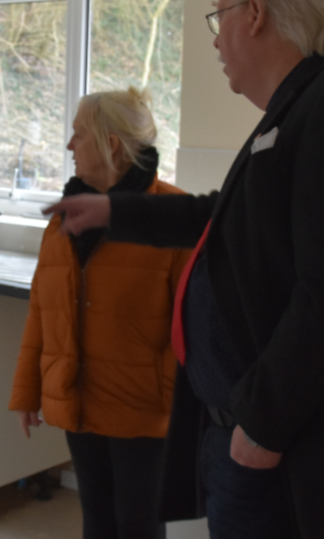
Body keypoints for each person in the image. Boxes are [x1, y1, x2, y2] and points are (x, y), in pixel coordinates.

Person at [45, 0, 324, 539]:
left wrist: (262, 426)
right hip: (247, 434)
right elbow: (221, 216)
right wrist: (113, 210)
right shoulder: (291, 111)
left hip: (292, 444)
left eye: (218, 20)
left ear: (255, 14)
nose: (216, 44)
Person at [10, 87, 191, 539]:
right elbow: (42, 312)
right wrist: (28, 391)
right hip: (80, 404)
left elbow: (194, 326)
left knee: (139, 528)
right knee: (97, 522)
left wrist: (165, 393)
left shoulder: (172, 214)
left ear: (111, 144)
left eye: (78, 135)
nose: (69, 146)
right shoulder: (66, 219)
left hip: (144, 416)